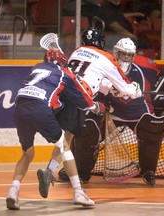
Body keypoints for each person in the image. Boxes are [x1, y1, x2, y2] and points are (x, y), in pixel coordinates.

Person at [59, 37, 164, 185]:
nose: (125, 57)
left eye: (129, 54)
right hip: (111, 114)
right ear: (115, 52)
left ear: (134, 55)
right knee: (87, 127)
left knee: (153, 129)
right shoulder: (105, 64)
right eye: (122, 54)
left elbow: (162, 80)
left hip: (138, 114)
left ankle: (148, 171)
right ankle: (78, 171)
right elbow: (96, 88)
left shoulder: (146, 66)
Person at [36, 28, 143, 198]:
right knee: (67, 141)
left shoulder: (77, 52)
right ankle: (76, 189)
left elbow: (92, 75)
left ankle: (49, 171)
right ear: (102, 41)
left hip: (60, 94)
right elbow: (125, 87)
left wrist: (110, 88)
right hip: (78, 96)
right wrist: (134, 90)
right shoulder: (107, 57)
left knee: (66, 138)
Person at [6, 46, 98, 210]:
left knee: (27, 154)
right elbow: (83, 100)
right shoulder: (64, 73)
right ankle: (78, 192)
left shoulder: (36, 68)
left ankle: (13, 191)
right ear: (62, 63)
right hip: (39, 108)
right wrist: (95, 106)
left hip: (20, 108)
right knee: (64, 147)